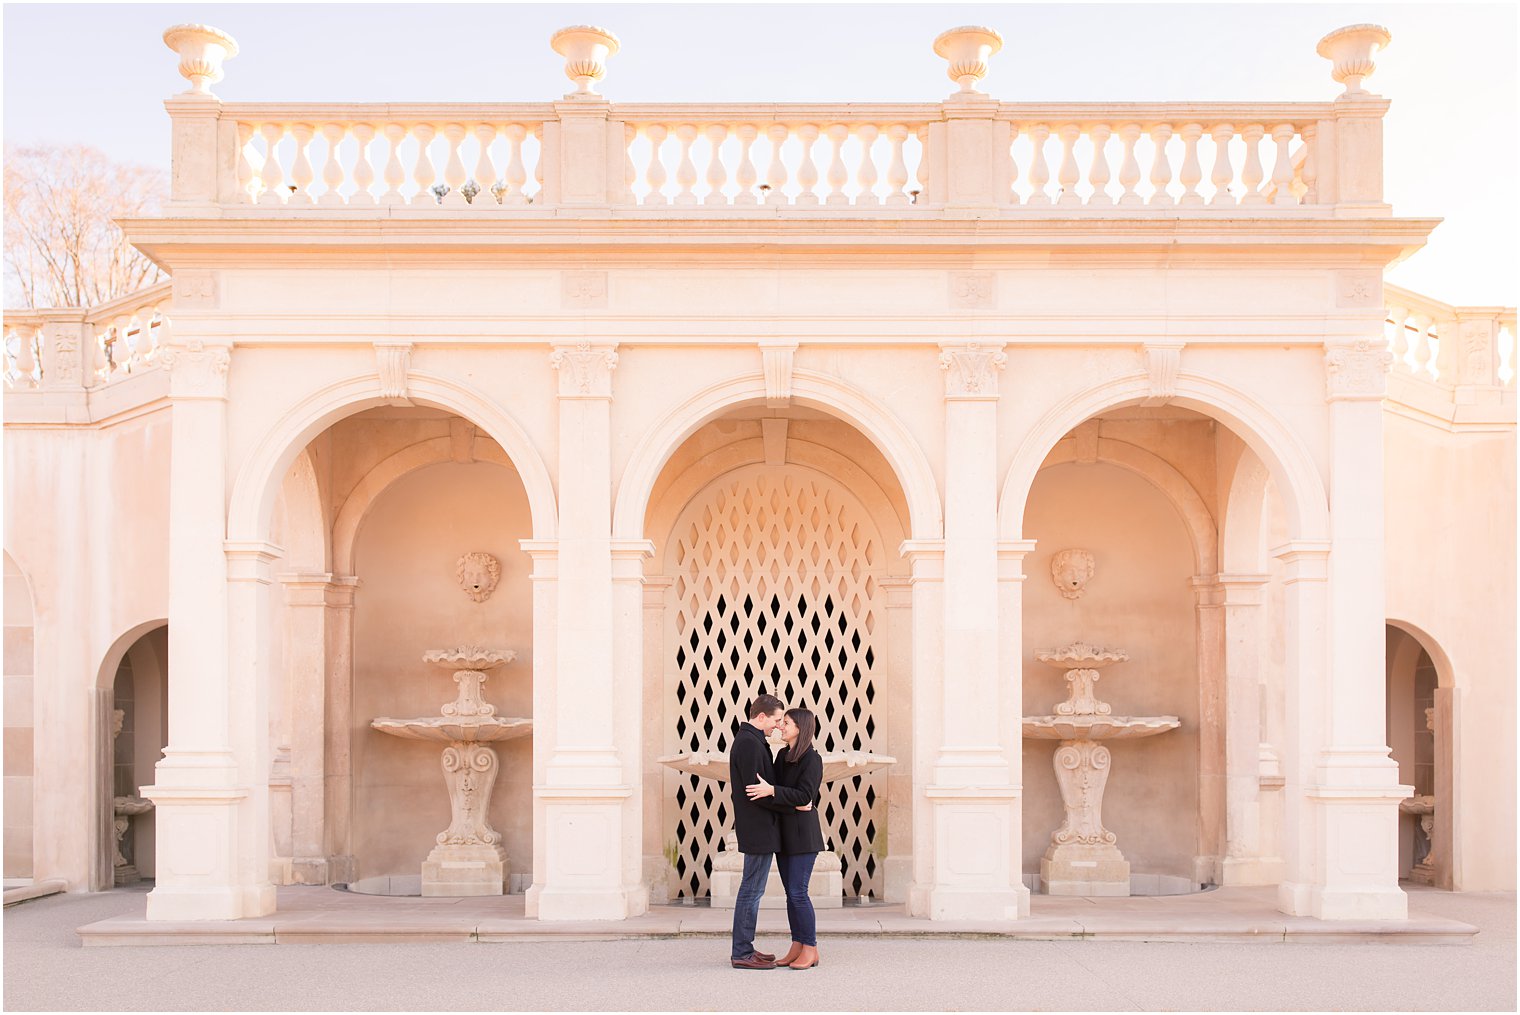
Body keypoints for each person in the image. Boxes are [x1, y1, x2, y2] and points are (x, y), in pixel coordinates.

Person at [747, 707, 824, 970]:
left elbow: (804, 795)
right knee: (790, 895)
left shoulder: (812, 759)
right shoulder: (783, 756)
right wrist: (788, 797)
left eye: (787, 723)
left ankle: (810, 948)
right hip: (786, 836)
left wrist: (782, 794)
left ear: (801, 728)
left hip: (804, 837)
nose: (781, 726)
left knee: (799, 893)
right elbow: (784, 796)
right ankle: (797, 944)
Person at [727, 693, 786, 969]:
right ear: (761, 717)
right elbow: (756, 790)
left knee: (752, 889)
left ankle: (745, 947)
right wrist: (790, 801)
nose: (777, 726)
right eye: (775, 720)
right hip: (758, 827)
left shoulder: (752, 740)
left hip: (758, 826)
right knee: (751, 890)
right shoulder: (750, 743)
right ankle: (742, 952)